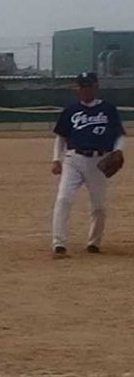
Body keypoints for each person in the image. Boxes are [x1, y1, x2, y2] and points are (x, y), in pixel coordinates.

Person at [51, 72, 126, 257]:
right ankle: (59, 244)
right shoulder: (70, 110)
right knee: (63, 199)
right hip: (73, 159)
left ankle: (94, 243)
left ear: (96, 86)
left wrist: (118, 150)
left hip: (99, 162)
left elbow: (119, 134)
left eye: (89, 86)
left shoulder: (108, 109)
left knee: (99, 206)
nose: (85, 90)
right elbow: (61, 137)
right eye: (82, 87)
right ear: (78, 89)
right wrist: (56, 159)